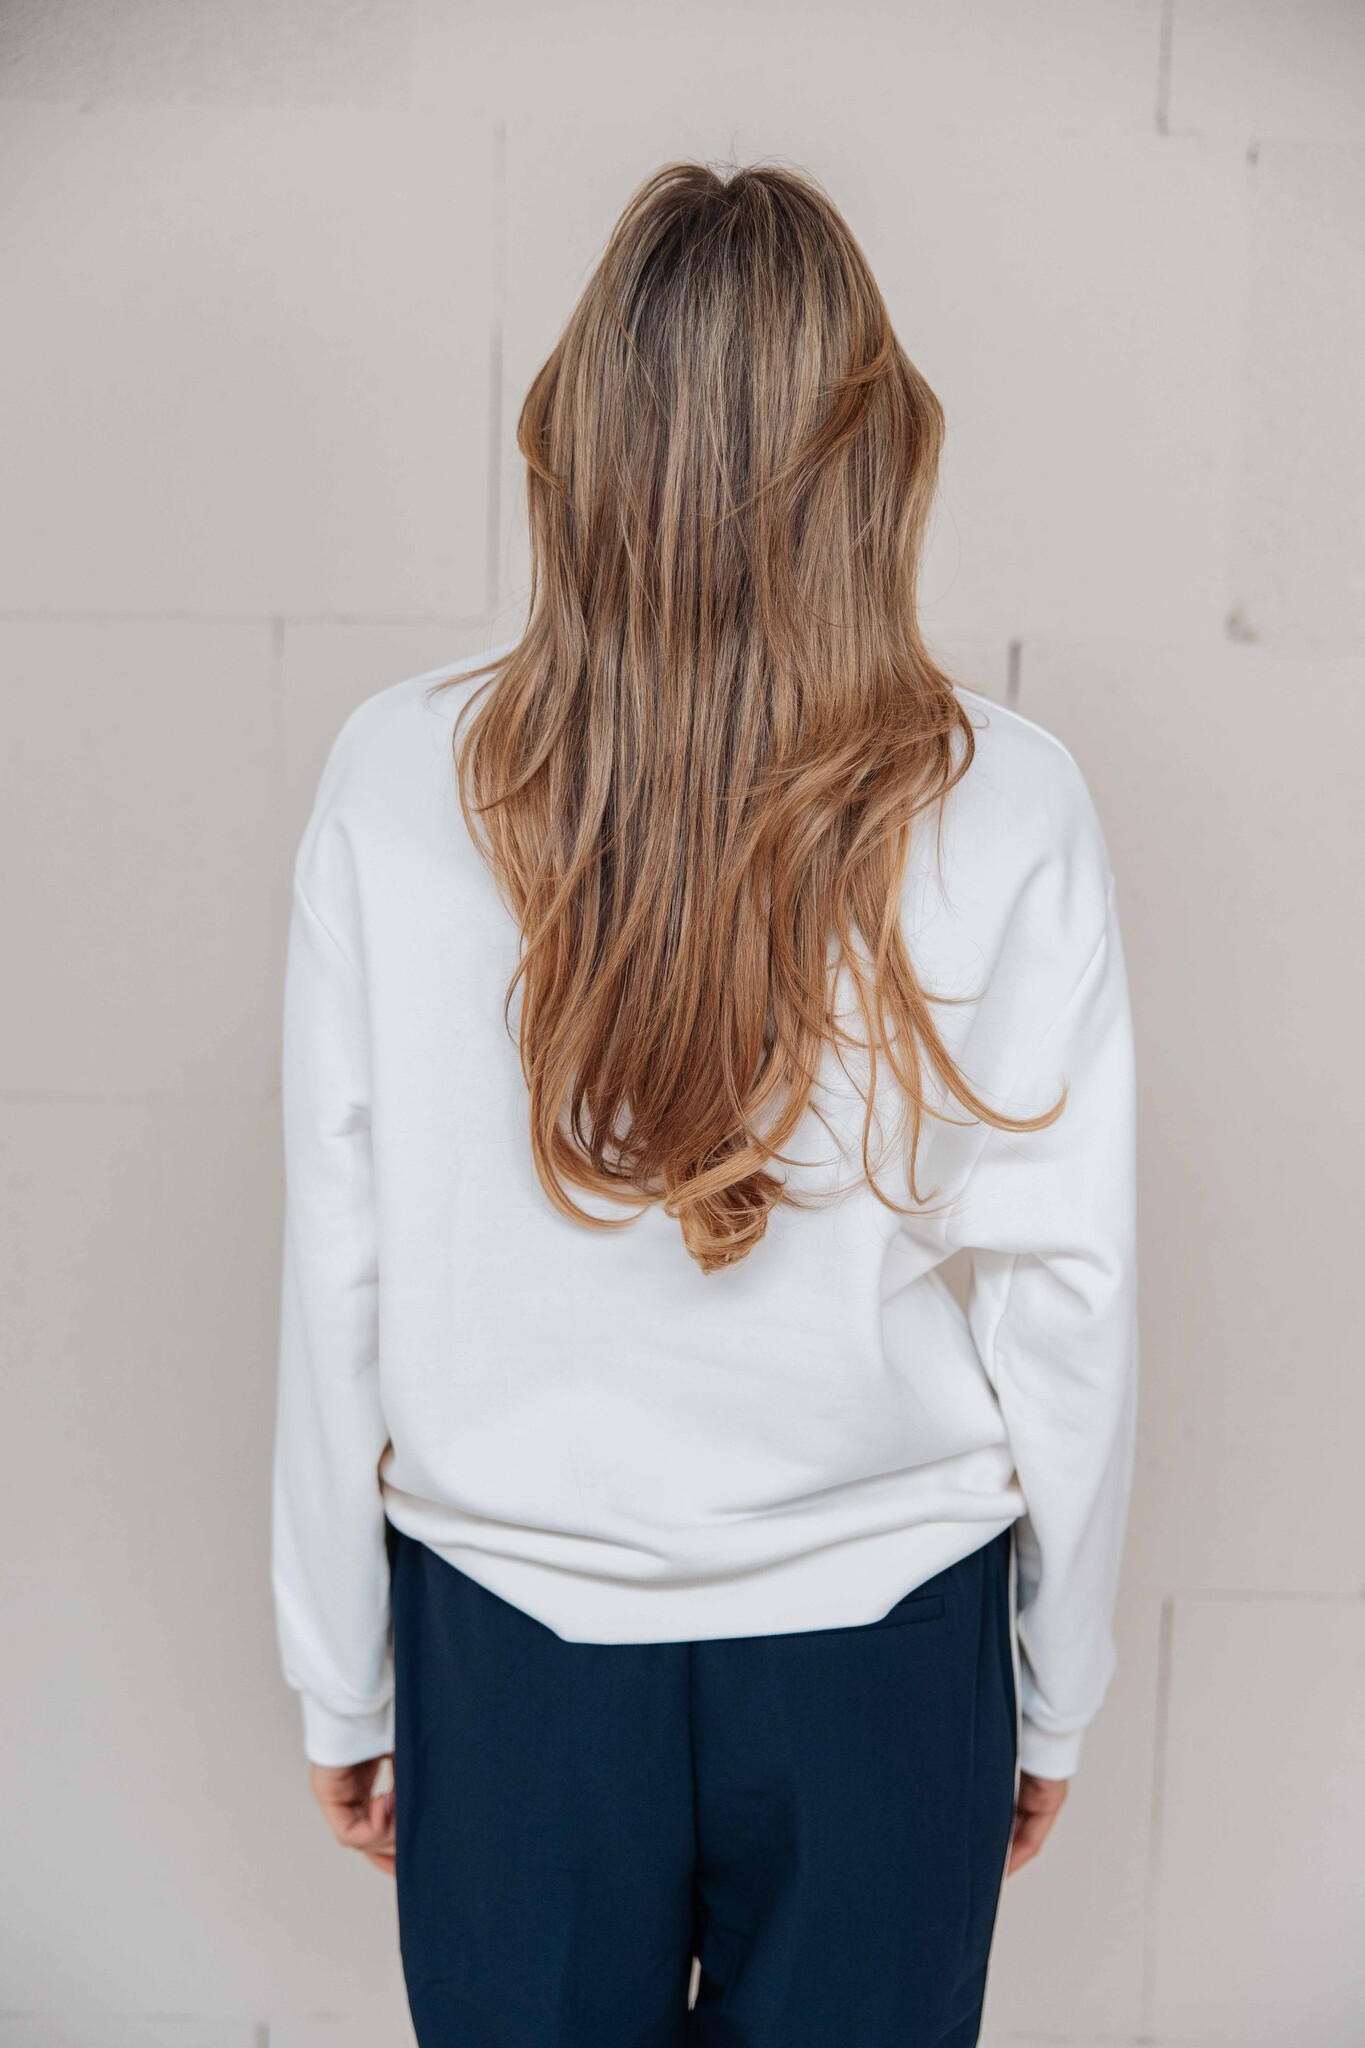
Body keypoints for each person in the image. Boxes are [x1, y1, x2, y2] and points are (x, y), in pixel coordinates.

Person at [270, 160, 1138, 2048]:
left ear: (576, 439)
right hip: (885, 1659)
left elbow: (339, 1268)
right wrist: (1053, 1685)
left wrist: (343, 1672)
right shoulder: (1005, 796)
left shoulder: (399, 776)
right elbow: (1063, 1301)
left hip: (509, 1654)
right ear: (876, 452)